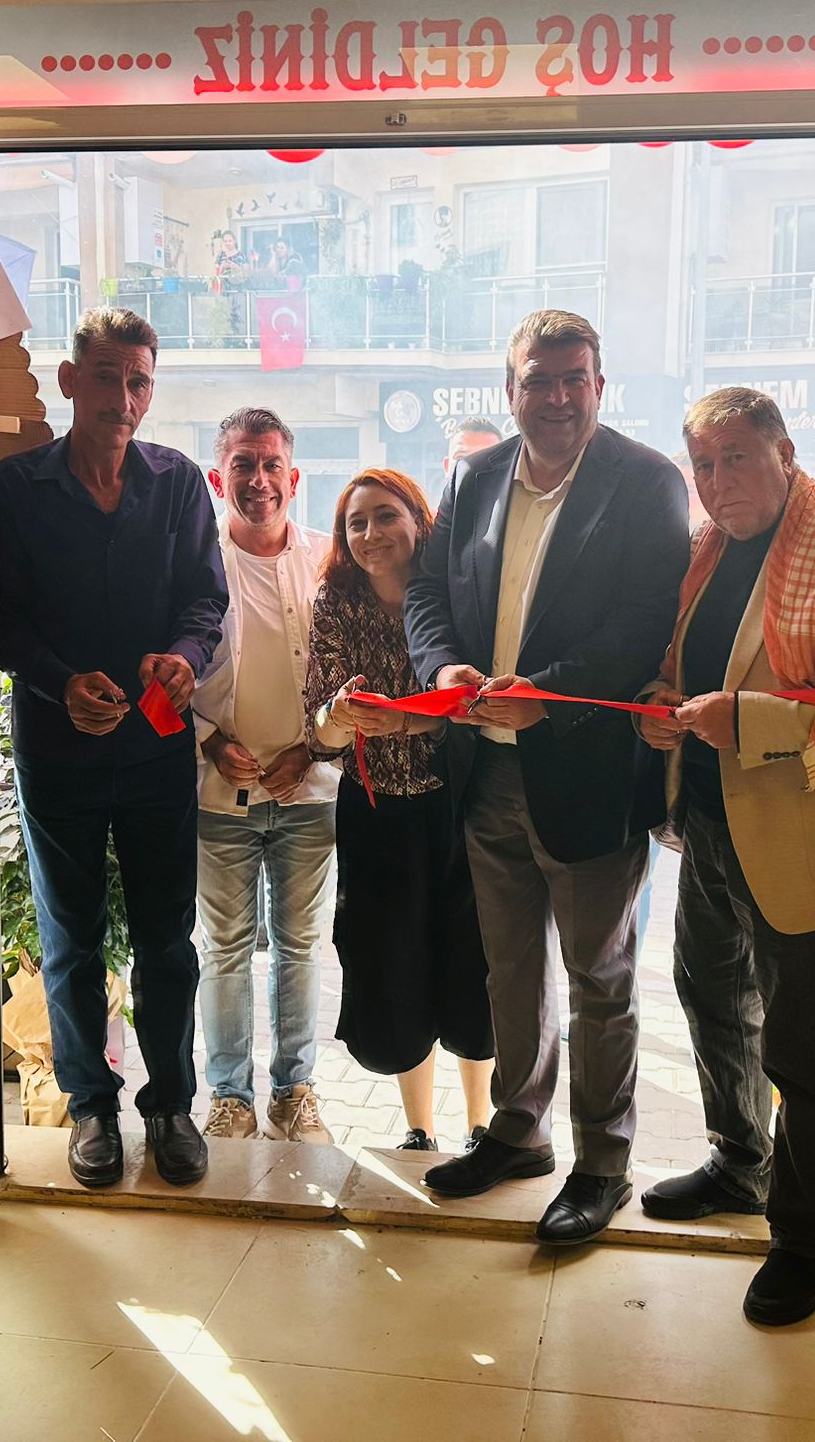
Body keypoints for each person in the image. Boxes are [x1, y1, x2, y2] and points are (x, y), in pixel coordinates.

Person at [637, 386, 815, 1326]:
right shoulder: (707, 550)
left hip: (806, 841)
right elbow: (691, 672)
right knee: (710, 1000)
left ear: (786, 453)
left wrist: (749, 722)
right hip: (710, 825)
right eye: (704, 464)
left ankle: (804, 1241)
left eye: (738, 458)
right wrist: (661, 707)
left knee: (802, 1052)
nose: (719, 480)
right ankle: (738, 1163)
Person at [405, 308, 690, 1245]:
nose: (558, 396)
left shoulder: (646, 481)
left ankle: (602, 1162)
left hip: (590, 775)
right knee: (511, 968)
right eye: (539, 379)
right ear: (511, 390)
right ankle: (518, 1131)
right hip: (485, 768)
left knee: (600, 977)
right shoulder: (474, 476)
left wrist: (551, 698)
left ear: (600, 387)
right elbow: (428, 592)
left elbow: (645, 621)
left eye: (575, 379)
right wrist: (442, 667)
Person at [0, 307, 228, 1191]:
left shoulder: (177, 484)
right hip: (59, 748)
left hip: (158, 746)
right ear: (69, 380)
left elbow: (206, 599)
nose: (121, 399)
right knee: (71, 939)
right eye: (105, 377)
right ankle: (92, 1106)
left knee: (168, 940)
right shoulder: (17, 488)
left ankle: (170, 1105)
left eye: (137, 382)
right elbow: (1, 619)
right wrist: (61, 685)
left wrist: (187, 656)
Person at [306, 469, 493, 1152]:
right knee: (394, 963)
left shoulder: (456, 596)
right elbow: (319, 733)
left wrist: (409, 722)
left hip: (460, 808)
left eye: (386, 516)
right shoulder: (336, 601)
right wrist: (340, 714)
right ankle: (419, 1129)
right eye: (355, 523)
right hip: (376, 813)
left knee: (471, 963)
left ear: (418, 519)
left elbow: (475, 708)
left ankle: (482, 1124)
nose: (371, 534)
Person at [190, 408, 339, 1145]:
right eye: (243, 465)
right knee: (223, 951)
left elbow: (348, 672)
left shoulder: (328, 561)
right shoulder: (194, 564)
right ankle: (229, 1098)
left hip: (308, 792)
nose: (259, 480)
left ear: (293, 476)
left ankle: (294, 1092)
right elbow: (173, 670)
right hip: (220, 794)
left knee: (300, 948)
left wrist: (311, 751)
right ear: (218, 478)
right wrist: (211, 741)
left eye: (271, 464)